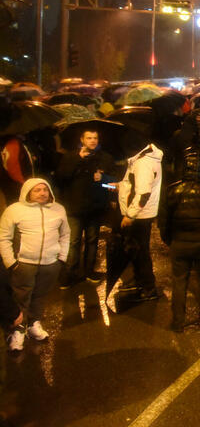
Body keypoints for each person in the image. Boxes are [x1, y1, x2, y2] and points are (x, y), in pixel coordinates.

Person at [159, 151, 200, 332]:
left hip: (179, 243)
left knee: (179, 282)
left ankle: (178, 322)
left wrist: (169, 240)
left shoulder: (171, 190)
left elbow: (163, 221)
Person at [0, 179, 69, 352]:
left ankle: (33, 323)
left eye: (45, 189)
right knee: (21, 297)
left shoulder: (58, 209)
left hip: (50, 263)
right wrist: (11, 262)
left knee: (39, 296)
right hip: (24, 264)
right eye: (37, 190)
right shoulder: (14, 210)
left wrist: (62, 257)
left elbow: (65, 234)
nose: (42, 193)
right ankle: (17, 330)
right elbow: (4, 237)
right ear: (27, 192)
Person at [54, 128, 114, 286]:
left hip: (94, 208)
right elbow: (61, 178)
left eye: (95, 138)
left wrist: (103, 178)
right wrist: (77, 159)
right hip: (74, 207)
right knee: (73, 241)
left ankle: (89, 271)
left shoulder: (105, 158)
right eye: (89, 138)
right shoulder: (70, 156)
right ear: (82, 139)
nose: (92, 141)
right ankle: (69, 275)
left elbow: (113, 184)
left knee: (92, 240)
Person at [114, 142, 164, 301]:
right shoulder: (143, 160)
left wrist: (130, 215)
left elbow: (143, 193)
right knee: (136, 251)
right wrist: (120, 186)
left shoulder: (143, 163)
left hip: (140, 216)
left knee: (141, 252)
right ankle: (139, 281)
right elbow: (135, 184)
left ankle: (148, 287)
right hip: (141, 214)